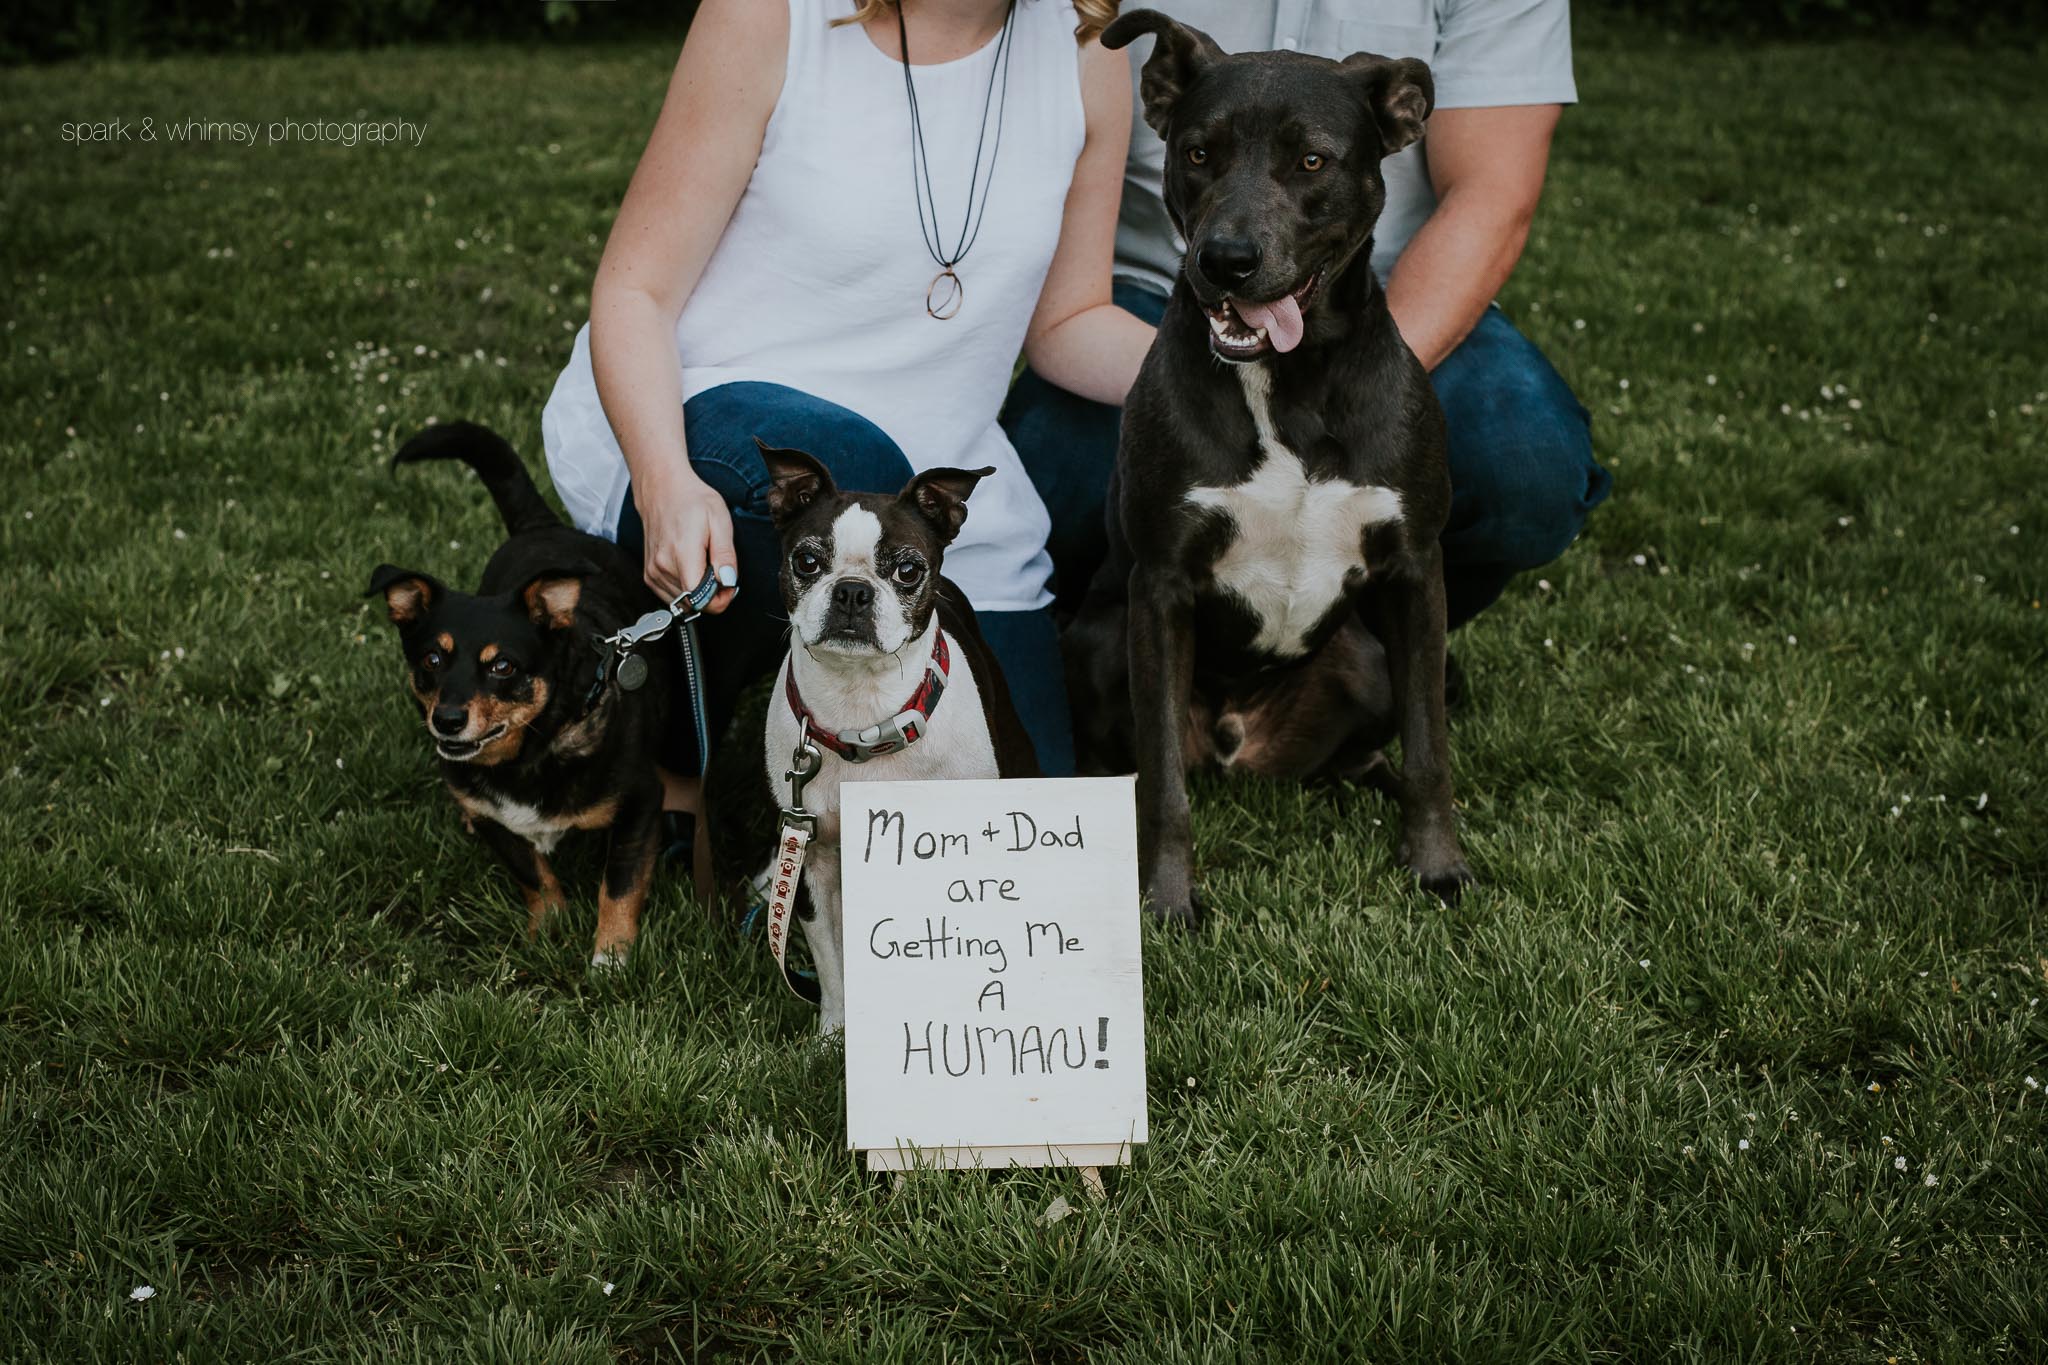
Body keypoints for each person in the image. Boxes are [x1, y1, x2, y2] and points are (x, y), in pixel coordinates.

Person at [542, 0, 1152, 795]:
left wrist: (1255, 372)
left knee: (1021, 815)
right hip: (715, 428)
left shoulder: (1086, 51)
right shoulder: (768, 16)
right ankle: (674, 752)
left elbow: (1068, 321)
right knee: (853, 459)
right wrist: (663, 480)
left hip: (928, 490)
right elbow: (635, 291)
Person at [1001, 0, 1612, 632]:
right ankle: (1122, 645)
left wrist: (1360, 394)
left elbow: (1489, 197)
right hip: (1151, 295)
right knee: (1050, 483)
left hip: (1380, 300)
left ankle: (1350, 638)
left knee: (1527, 467)